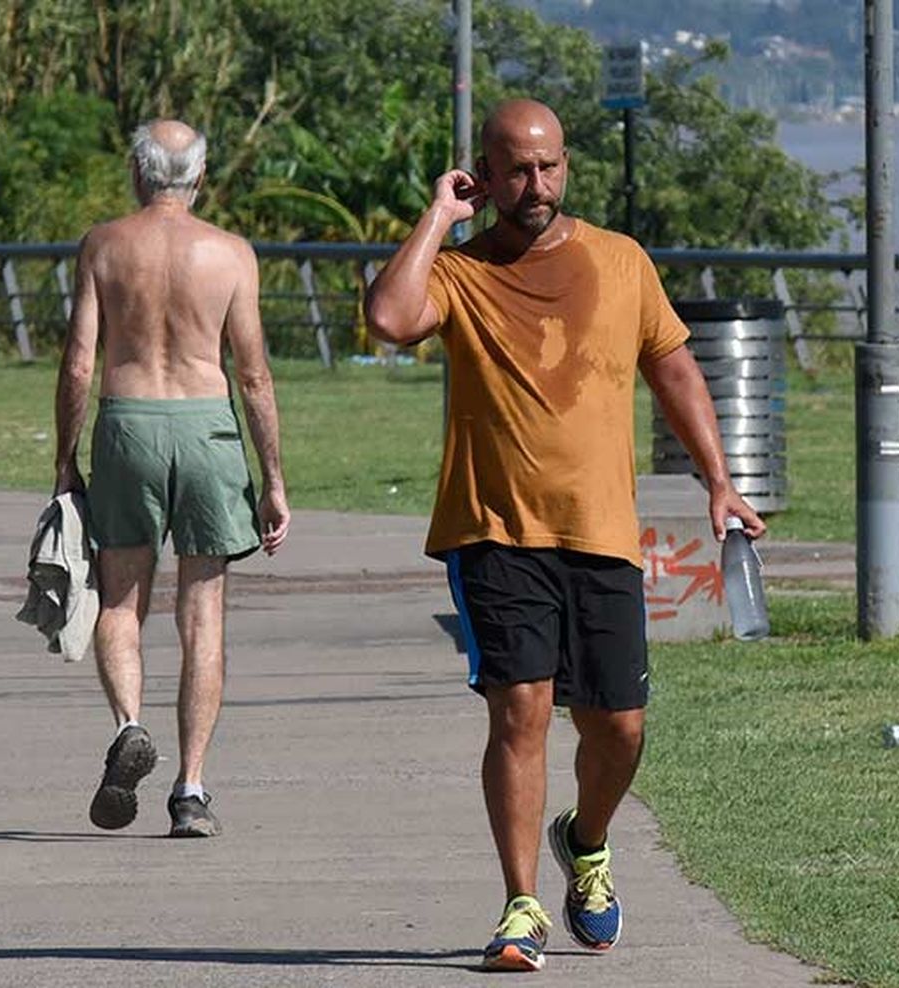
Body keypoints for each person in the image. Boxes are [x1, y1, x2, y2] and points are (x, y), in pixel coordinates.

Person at [364, 99, 766, 971]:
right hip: (495, 529)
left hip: (602, 532)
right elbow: (390, 321)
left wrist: (720, 479)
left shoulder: (619, 261)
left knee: (618, 726)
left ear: (566, 166)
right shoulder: (460, 275)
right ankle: (520, 905)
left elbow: (672, 364)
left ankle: (586, 841)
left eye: (548, 167)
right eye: (515, 169)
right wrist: (439, 216)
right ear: (485, 173)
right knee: (522, 714)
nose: (534, 185)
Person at [54, 119, 290, 839]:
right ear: (201, 175)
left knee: (119, 599)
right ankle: (190, 788)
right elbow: (250, 373)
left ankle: (130, 725)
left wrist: (66, 458)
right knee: (203, 613)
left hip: (127, 421)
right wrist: (274, 477)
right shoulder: (230, 253)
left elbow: (79, 364)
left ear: (137, 170)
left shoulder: (104, 245)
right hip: (207, 425)